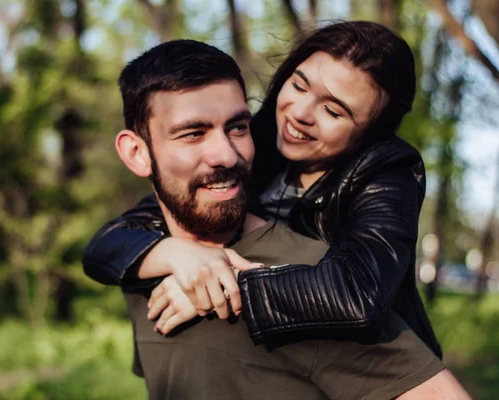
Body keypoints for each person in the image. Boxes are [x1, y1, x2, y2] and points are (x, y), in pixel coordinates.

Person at [98, 35, 470, 400]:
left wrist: (221, 284)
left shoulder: (386, 170)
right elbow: (112, 240)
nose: (300, 113)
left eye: (333, 111)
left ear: (369, 133)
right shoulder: (254, 137)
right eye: (299, 85)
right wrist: (178, 255)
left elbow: (360, 294)